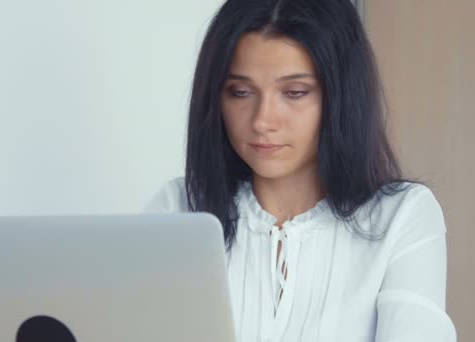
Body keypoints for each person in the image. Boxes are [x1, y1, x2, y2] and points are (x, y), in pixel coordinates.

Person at [143, 0, 457, 341]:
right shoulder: (178, 209)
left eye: (294, 93)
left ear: (341, 96)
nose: (263, 121)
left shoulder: (402, 217)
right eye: (241, 92)